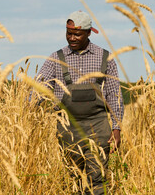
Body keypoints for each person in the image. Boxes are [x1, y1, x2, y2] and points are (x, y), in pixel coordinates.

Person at [36, 10, 123, 194]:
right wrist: (28, 109)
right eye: (69, 33)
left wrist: (116, 128)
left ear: (89, 32)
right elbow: (38, 87)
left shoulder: (106, 58)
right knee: (72, 181)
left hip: (98, 128)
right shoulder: (56, 59)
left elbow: (115, 95)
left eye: (77, 34)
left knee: (97, 180)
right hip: (67, 130)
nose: (72, 38)